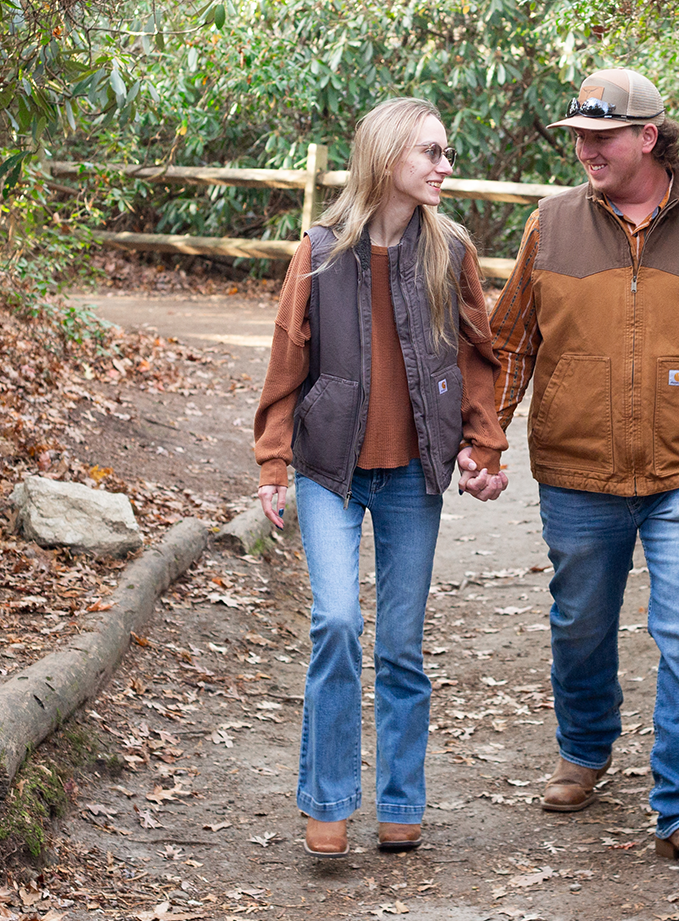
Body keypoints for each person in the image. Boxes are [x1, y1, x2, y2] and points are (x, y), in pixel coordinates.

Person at [487, 67, 679, 873]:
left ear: (649, 137)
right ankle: (586, 748)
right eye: (579, 138)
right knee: (580, 623)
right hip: (577, 468)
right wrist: (483, 438)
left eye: (602, 137)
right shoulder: (551, 226)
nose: (587, 150)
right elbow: (512, 342)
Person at [252, 97, 509, 859]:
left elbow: (478, 356)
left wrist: (482, 444)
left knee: (401, 643)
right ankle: (327, 798)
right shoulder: (322, 251)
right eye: (431, 152)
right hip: (328, 471)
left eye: (445, 152)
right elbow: (286, 361)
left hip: (413, 477)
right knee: (336, 622)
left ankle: (401, 799)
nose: (444, 165)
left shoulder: (450, 250)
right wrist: (272, 460)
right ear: (388, 157)